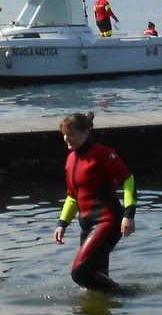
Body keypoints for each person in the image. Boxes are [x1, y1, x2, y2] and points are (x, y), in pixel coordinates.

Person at [52, 111, 135, 294]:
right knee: (96, 281)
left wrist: (129, 215)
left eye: (71, 134)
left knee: (80, 273)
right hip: (87, 225)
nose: (66, 138)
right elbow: (73, 196)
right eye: (64, 134)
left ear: (85, 132)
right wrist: (62, 224)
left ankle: (128, 295)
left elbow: (128, 180)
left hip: (108, 221)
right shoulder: (71, 159)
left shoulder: (102, 154)